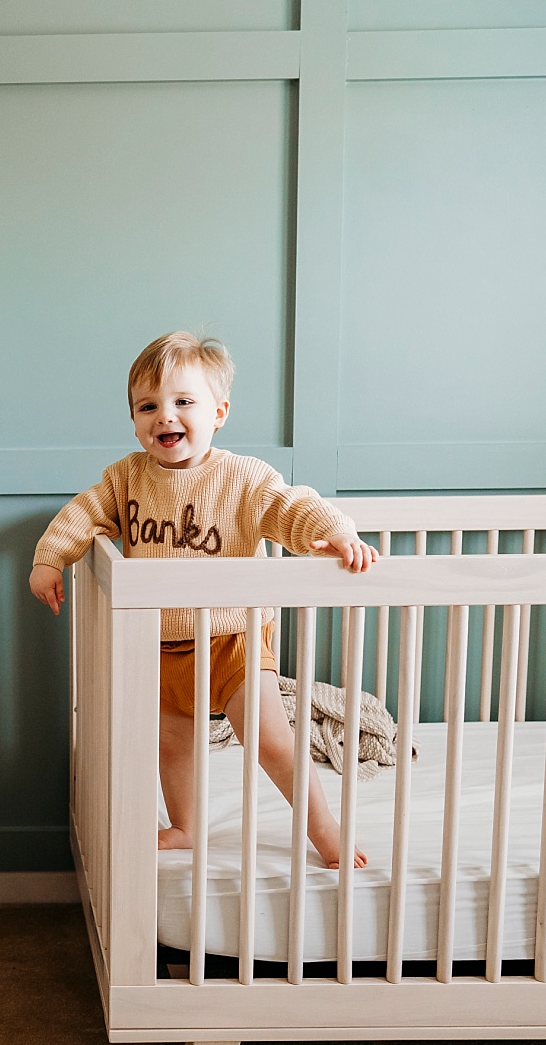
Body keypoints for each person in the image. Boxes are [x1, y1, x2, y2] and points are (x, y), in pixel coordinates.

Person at [27, 331, 376, 868]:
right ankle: (186, 825)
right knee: (174, 745)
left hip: (232, 634)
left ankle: (323, 826)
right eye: (148, 406)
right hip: (161, 640)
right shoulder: (125, 478)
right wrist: (50, 558)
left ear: (219, 412)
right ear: (135, 420)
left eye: (183, 402)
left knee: (271, 742)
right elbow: (83, 513)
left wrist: (331, 533)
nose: (165, 416)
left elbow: (291, 507)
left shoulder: (243, 478)